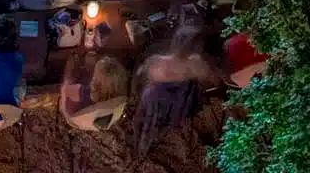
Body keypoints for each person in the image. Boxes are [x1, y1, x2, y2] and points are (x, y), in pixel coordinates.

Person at [131, 27, 220, 158]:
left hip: (178, 112)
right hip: (158, 108)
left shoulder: (194, 64)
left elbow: (215, 81)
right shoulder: (158, 62)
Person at [61, 51, 130, 118]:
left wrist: (71, 60)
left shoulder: (85, 92)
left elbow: (66, 90)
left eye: (95, 75)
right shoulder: (119, 99)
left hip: (74, 113)